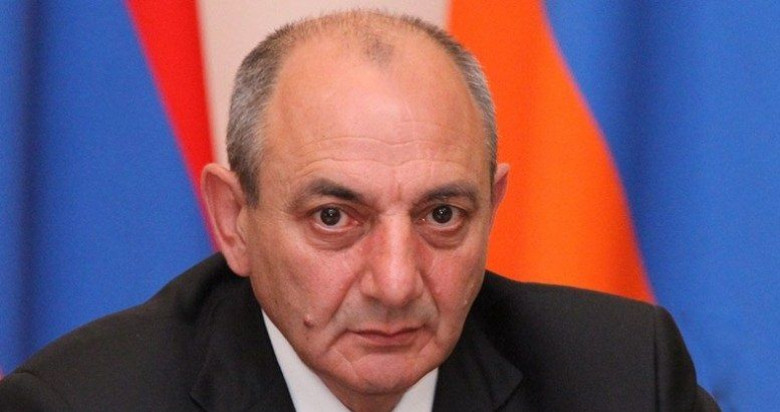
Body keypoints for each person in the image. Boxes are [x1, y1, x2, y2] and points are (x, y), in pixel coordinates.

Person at [0, 10, 718, 411]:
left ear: (492, 208)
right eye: (334, 218)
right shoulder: (81, 404)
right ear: (234, 220)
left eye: (442, 216)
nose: (396, 283)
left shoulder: (625, 379)